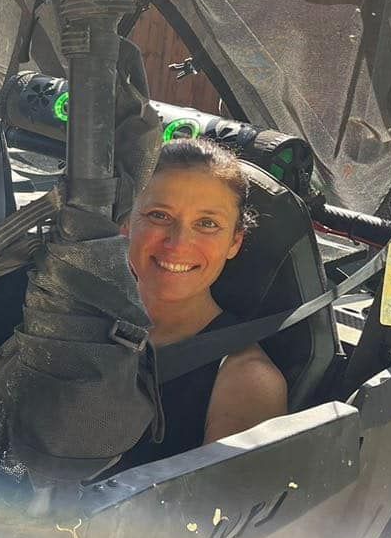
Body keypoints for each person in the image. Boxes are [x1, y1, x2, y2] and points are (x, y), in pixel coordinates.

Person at [116, 138, 289, 469]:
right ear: (126, 223)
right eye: (159, 215)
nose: (178, 242)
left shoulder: (246, 380)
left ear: (234, 241)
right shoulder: (74, 316)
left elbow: (213, 516)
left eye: (207, 224)